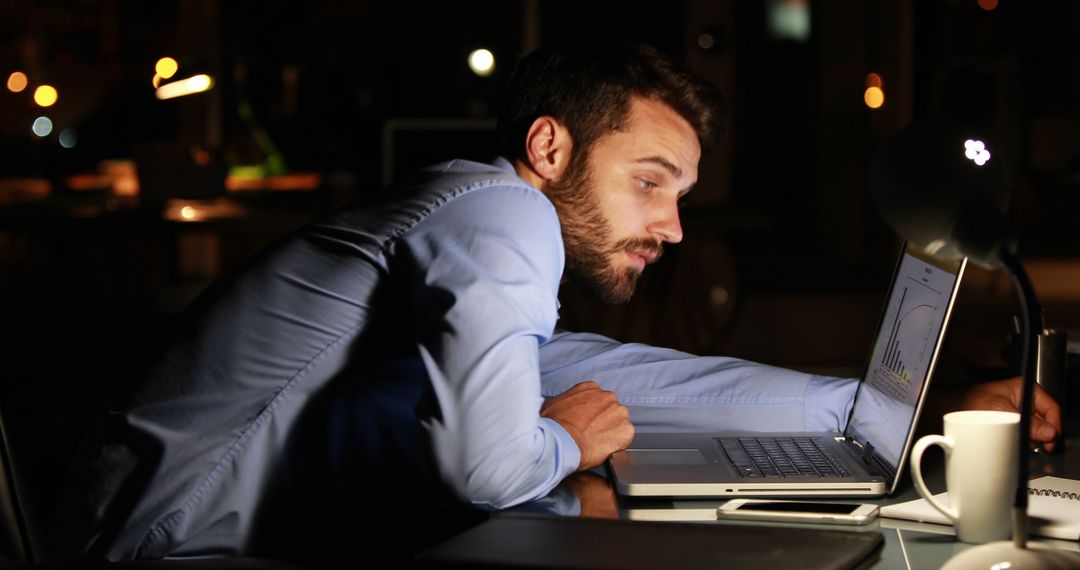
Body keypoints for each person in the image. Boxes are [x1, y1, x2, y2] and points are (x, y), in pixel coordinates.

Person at [51, 42, 1061, 566]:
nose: (672, 228)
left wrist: (890, 417)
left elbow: (593, 378)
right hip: (161, 551)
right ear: (549, 149)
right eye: (651, 180)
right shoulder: (501, 213)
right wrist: (563, 454)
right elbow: (490, 461)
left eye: (684, 194)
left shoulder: (477, 231)